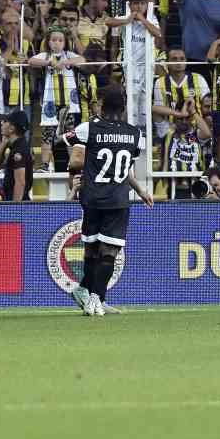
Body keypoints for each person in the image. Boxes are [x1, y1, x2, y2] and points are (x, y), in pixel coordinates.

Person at [67, 86, 154, 317]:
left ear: (102, 106)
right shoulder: (136, 135)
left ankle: (87, 293)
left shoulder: (88, 129)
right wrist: (141, 190)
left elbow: (68, 143)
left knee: (92, 249)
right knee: (109, 252)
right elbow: (124, 169)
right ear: (124, 109)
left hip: (92, 197)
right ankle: (96, 298)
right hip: (117, 199)